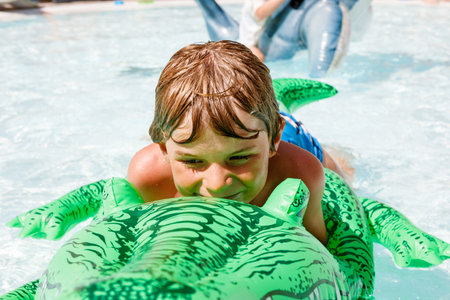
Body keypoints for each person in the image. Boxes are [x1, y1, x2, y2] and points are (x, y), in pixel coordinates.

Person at [127, 40, 329, 245]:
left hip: (294, 136)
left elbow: (321, 252)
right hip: (254, 126)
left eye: (239, 157)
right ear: (164, 149)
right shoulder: (148, 178)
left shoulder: (300, 175)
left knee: (341, 170)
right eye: (193, 161)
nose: (216, 185)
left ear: (273, 139)